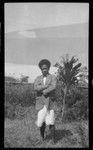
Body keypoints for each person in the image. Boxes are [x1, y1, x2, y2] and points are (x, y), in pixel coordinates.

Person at [34, 59, 57, 144]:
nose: (44, 70)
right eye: (43, 68)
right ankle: (42, 138)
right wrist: (46, 86)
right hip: (40, 103)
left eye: (46, 68)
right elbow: (35, 87)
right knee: (41, 121)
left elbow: (53, 86)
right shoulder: (37, 78)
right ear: (41, 69)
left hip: (50, 102)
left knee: (51, 121)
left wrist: (45, 91)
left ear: (48, 68)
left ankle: (54, 140)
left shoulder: (53, 77)